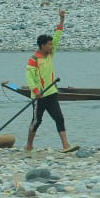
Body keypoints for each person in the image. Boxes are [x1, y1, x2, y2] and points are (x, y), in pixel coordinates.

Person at [24, 10, 79, 152]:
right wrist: (36, 91)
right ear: (42, 46)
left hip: (51, 92)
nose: (51, 46)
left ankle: (66, 145)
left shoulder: (50, 55)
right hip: (39, 96)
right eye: (48, 45)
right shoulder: (33, 59)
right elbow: (30, 78)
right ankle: (29, 145)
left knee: (59, 118)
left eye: (51, 44)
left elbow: (57, 37)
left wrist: (62, 20)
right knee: (37, 121)